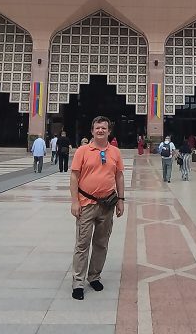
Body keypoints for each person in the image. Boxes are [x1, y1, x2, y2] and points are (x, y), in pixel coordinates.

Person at [70, 116, 125, 301]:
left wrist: (121, 200)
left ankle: (94, 276)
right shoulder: (83, 151)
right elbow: (74, 176)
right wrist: (74, 201)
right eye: (97, 128)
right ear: (92, 131)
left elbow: (119, 176)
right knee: (82, 244)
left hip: (107, 205)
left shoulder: (115, 152)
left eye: (104, 128)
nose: (100, 130)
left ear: (109, 131)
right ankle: (78, 282)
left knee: (101, 243)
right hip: (86, 204)